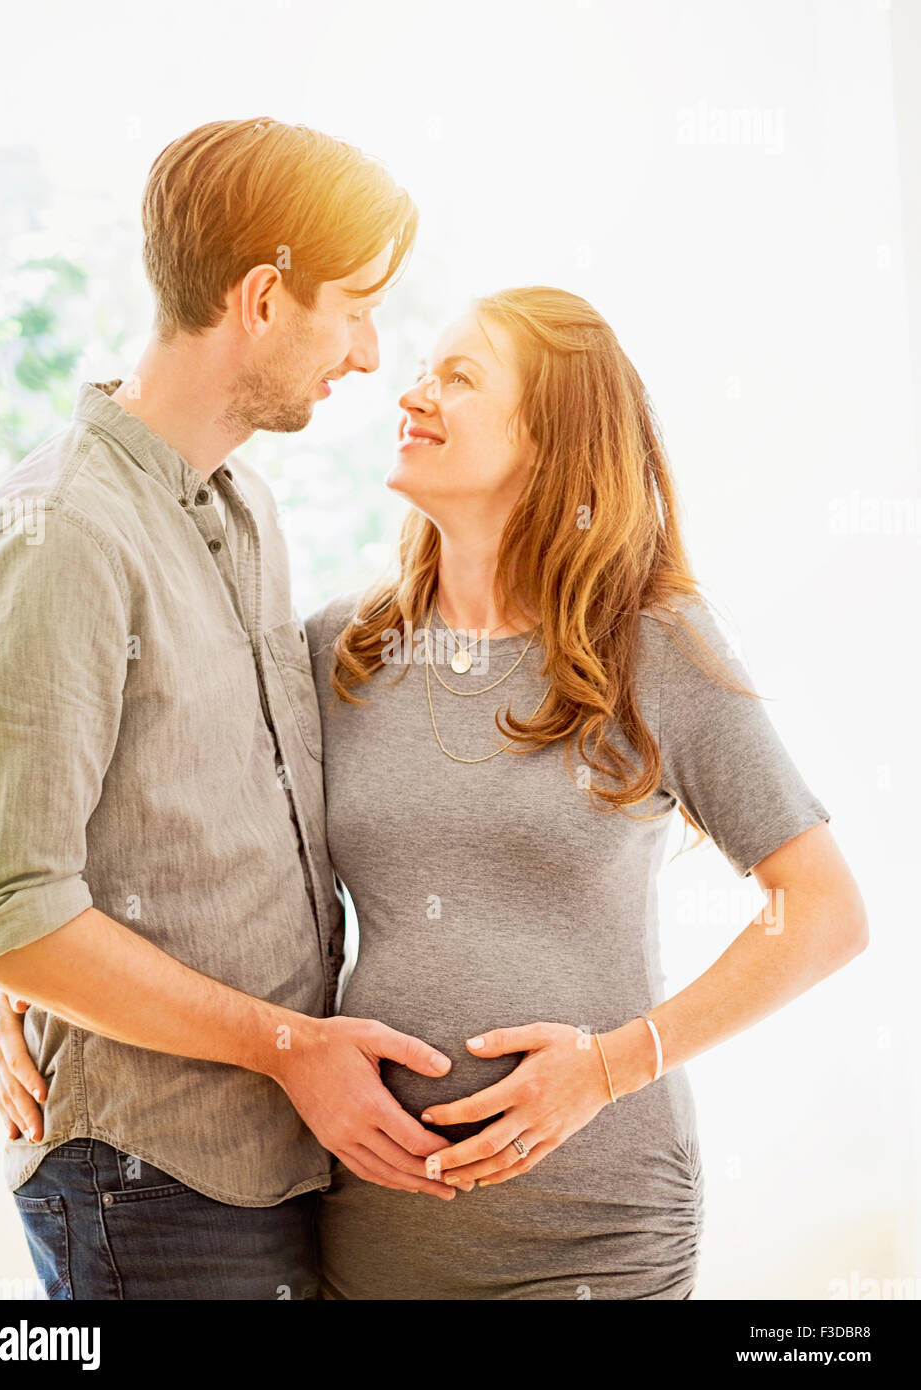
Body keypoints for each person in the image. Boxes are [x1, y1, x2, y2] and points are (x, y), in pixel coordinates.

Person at [0, 117, 460, 1304]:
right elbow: (3, 912)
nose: (372, 354)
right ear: (265, 299)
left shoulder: (246, 511)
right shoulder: (61, 532)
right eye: (356, 308)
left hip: (260, 1167)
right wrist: (290, 1049)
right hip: (151, 1177)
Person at [295, 286, 869, 1298]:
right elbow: (192, 838)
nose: (413, 393)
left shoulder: (650, 643)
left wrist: (610, 1067)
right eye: (426, 370)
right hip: (371, 1233)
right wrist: (29, 998)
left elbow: (824, 912)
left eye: (459, 377)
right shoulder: (343, 649)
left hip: (595, 1239)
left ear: (551, 441)